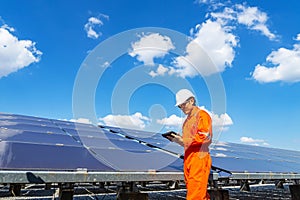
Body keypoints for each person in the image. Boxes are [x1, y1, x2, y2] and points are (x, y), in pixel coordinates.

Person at [167, 89, 212, 200]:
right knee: (197, 192)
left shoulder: (202, 115)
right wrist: (178, 139)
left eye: (183, 105)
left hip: (199, 157)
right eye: (180, 106)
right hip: (188, 158)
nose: (182, 108)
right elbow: (188, 141)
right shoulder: (186, 122)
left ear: (191, 101)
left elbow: (205, 137)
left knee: (195, 194)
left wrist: (183, 140)